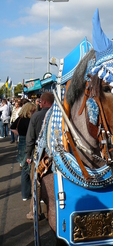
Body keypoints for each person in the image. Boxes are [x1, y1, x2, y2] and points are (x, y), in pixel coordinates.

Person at [26, 92, 54, 220]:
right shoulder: (58, 114)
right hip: (54, 155)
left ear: (43, 102)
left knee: (35, 183)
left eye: (40, 101)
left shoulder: (36, 116)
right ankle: (51, 212)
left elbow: (30, 138)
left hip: (39, 154)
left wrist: (28, 154)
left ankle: (34, 212)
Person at [11, 102, 37, 201]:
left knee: (24, 168)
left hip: (21, 142)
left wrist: (19, 134)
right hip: (29, 142)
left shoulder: (20, 119)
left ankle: (25, 194)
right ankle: (33, 192)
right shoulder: (30, 120)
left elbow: (12, 127)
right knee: (32, 168)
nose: (34, 111)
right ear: (29, 110)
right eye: (33, 110)